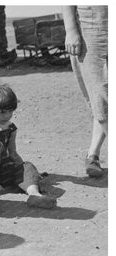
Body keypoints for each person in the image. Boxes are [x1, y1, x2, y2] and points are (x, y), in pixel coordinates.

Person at [0, 84, 57, 209]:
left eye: (10, 111)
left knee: (27, 166)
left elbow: (12, 152)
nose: (7, 116)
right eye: (3, 112)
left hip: (4, 171)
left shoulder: (10, 128)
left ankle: (34, 195)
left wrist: (26, 171)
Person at [62, 6, 108, 178]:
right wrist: (71, 30)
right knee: (101, 97)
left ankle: (92, 155)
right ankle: (92, 156)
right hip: (93, 31)